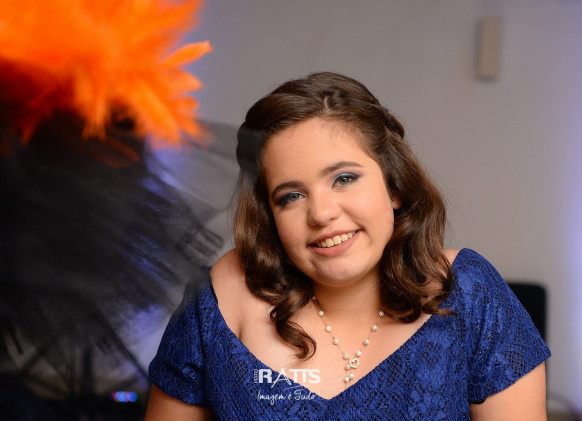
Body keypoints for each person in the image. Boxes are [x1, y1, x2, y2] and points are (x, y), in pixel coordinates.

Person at [145, 72, 550, 420]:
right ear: (270, 216)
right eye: (291, 196)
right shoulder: (216, 302)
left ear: (394, 186)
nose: (321, 214)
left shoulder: (469, 294)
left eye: (344, 179)